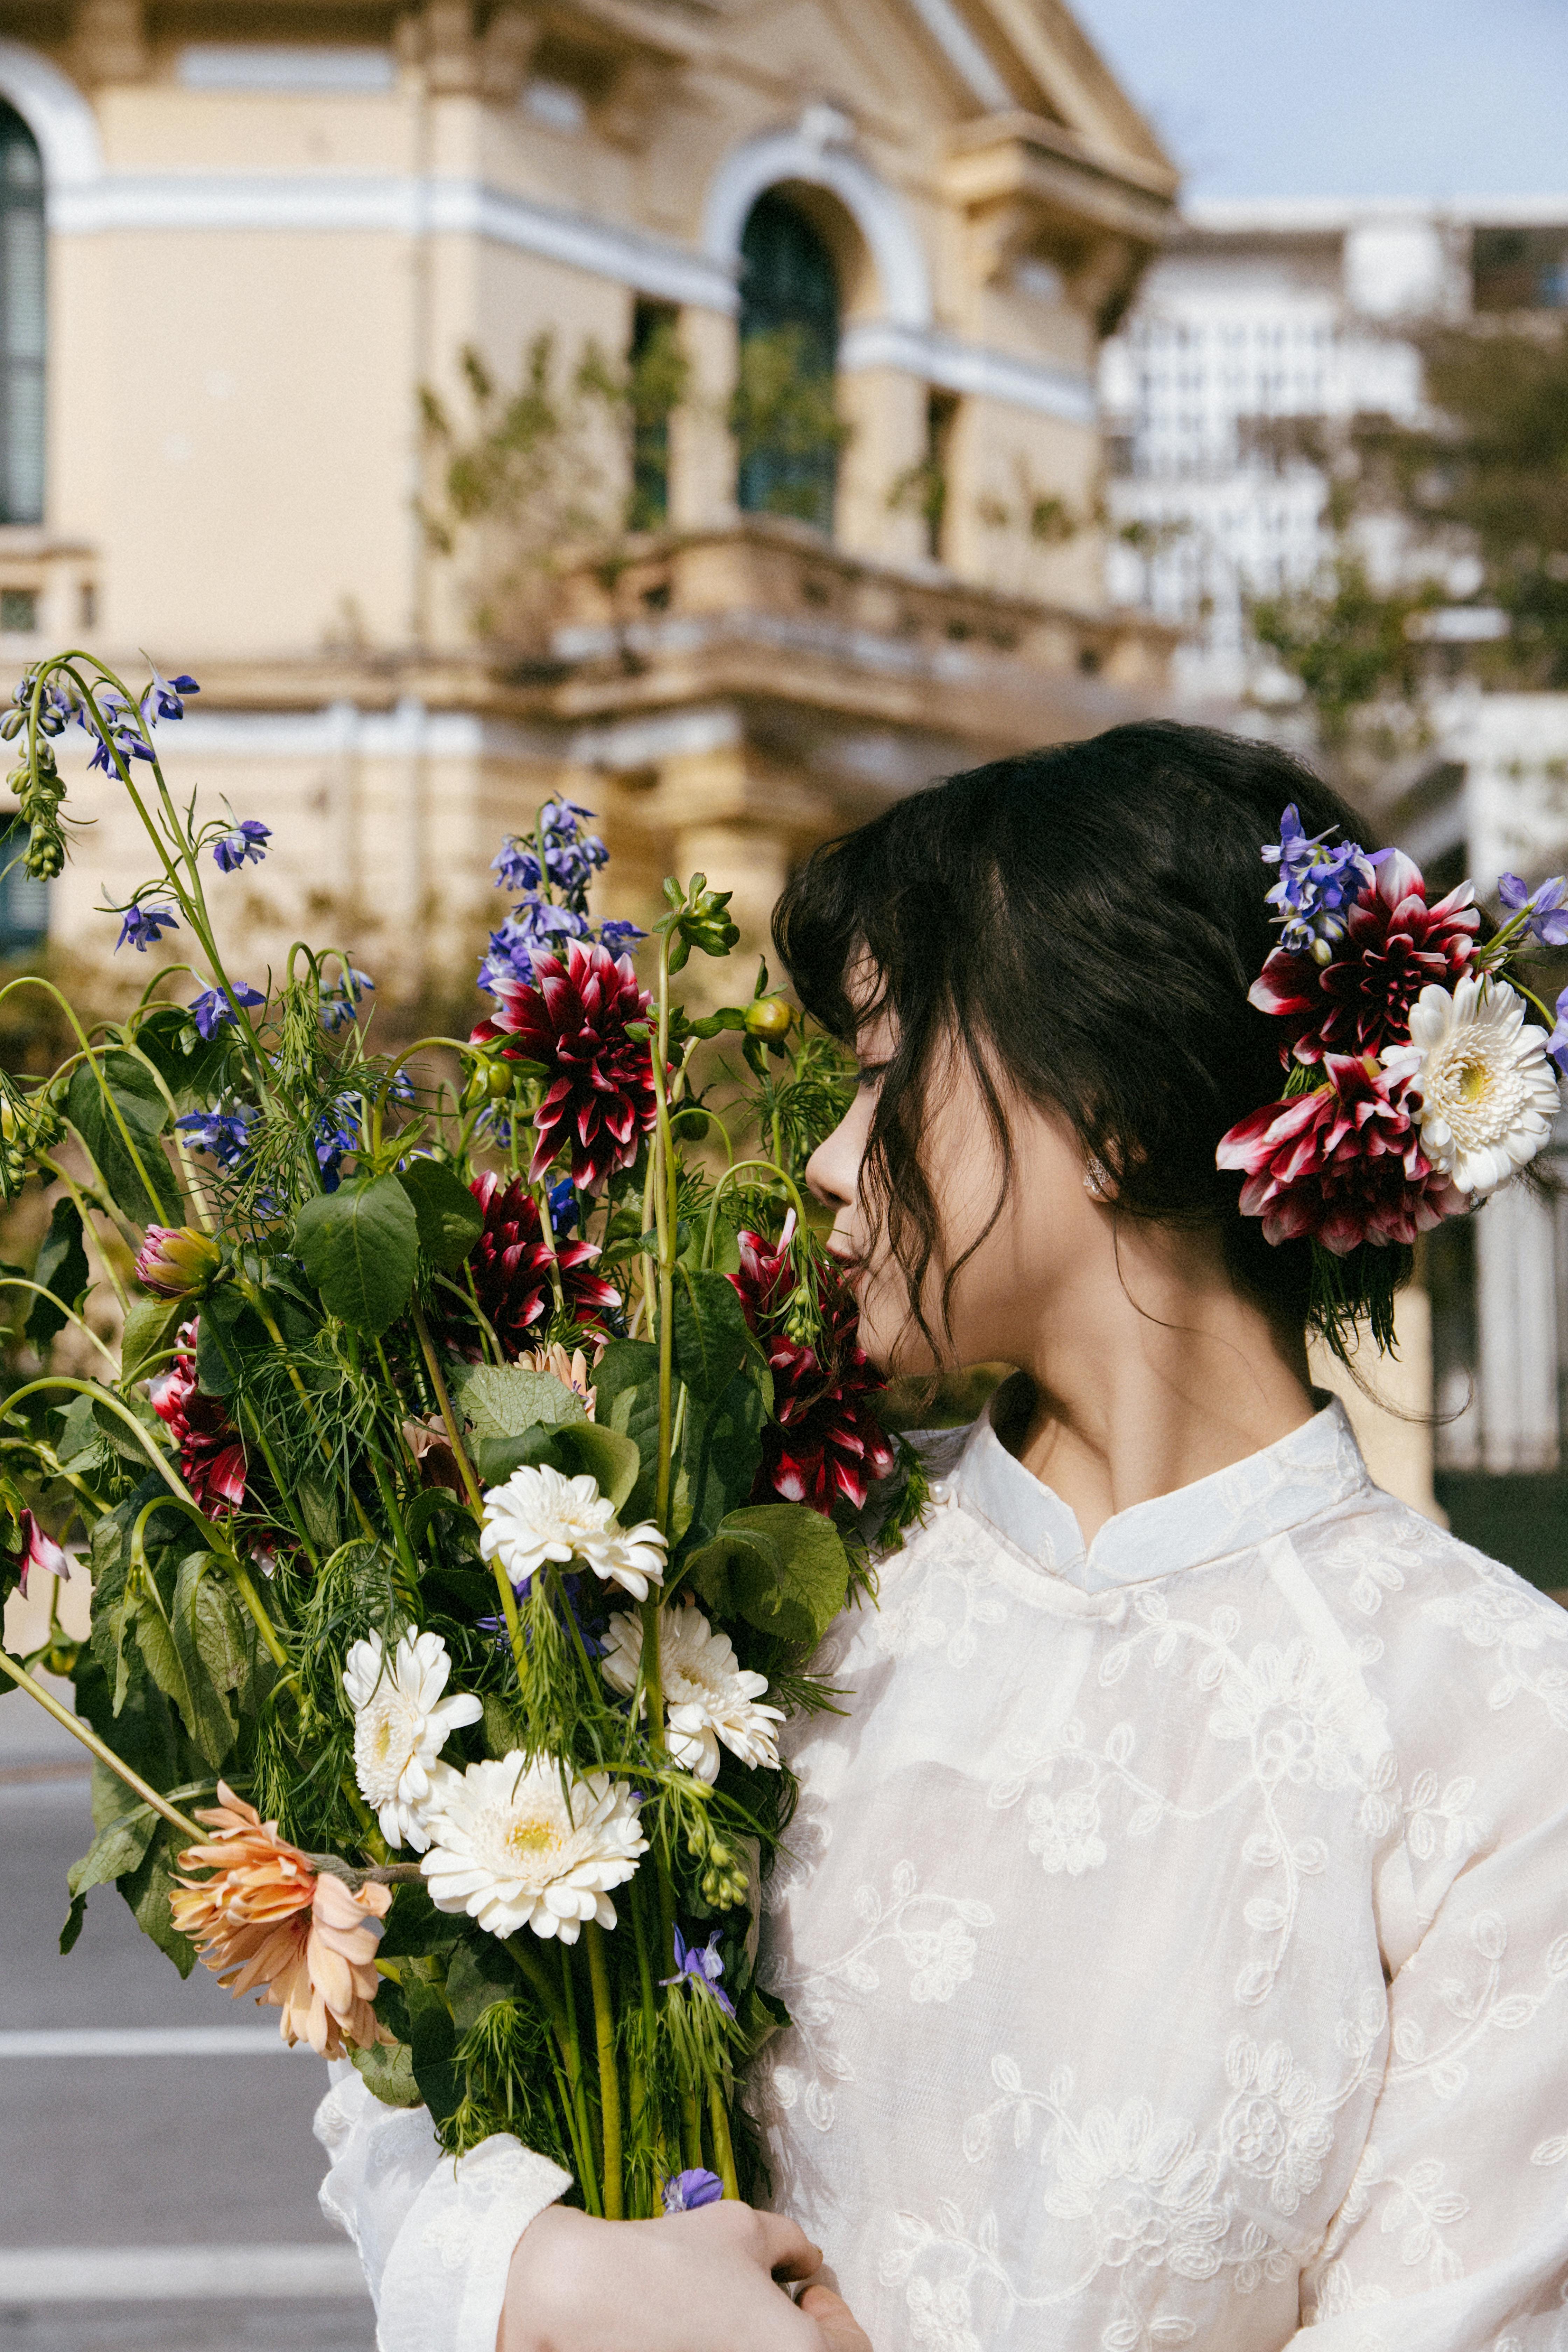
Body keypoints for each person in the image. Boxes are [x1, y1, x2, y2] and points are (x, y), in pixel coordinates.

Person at [316, 723, 1568, 2351]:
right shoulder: (750, 1576)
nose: (830, 1164)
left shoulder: (1491, 1719)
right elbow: (423, 2072)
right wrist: (545, 2273)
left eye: (878, 1065)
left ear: (1111, 1107)